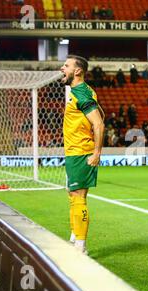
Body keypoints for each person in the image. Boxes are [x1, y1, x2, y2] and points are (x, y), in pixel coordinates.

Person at [60, 55, 105, 254]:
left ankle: (80, 245)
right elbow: (101, 114)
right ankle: (74, 235)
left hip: (81, 152)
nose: (62, 68)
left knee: (78, 196)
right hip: (74, 151)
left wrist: (96, 153)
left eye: (66, 65)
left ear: (77, 71)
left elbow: (99, 123)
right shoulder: (82, 91)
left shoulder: (81, 93)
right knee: (73, 194)